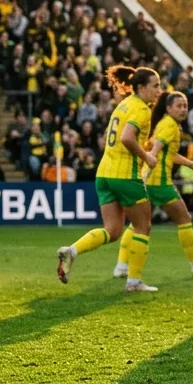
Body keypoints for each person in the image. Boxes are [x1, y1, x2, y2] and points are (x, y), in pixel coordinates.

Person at [56, 66, 162, 292]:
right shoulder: (141, 109)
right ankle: (133, 282)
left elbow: (110, 137)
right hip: (125, 175)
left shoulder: (122, 105)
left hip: (104, 173)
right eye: (156, 85)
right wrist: (146, 156)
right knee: (143, 226)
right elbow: (126, 138)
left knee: (113, 231)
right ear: (141, 87)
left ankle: (72, 251)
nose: (159, 90)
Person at [109, 90, 193, 280]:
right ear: (168, 108)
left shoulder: (166, 124)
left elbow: (168, 154)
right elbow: (155, 150)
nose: (183, 109)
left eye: (185, 105)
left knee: (138, 224)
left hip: (149, 181)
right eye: (179, 106)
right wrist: (145, 173)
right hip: (159, 182)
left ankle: (121, 266)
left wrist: (190, 164)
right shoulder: (169, 126)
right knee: (184, 218)